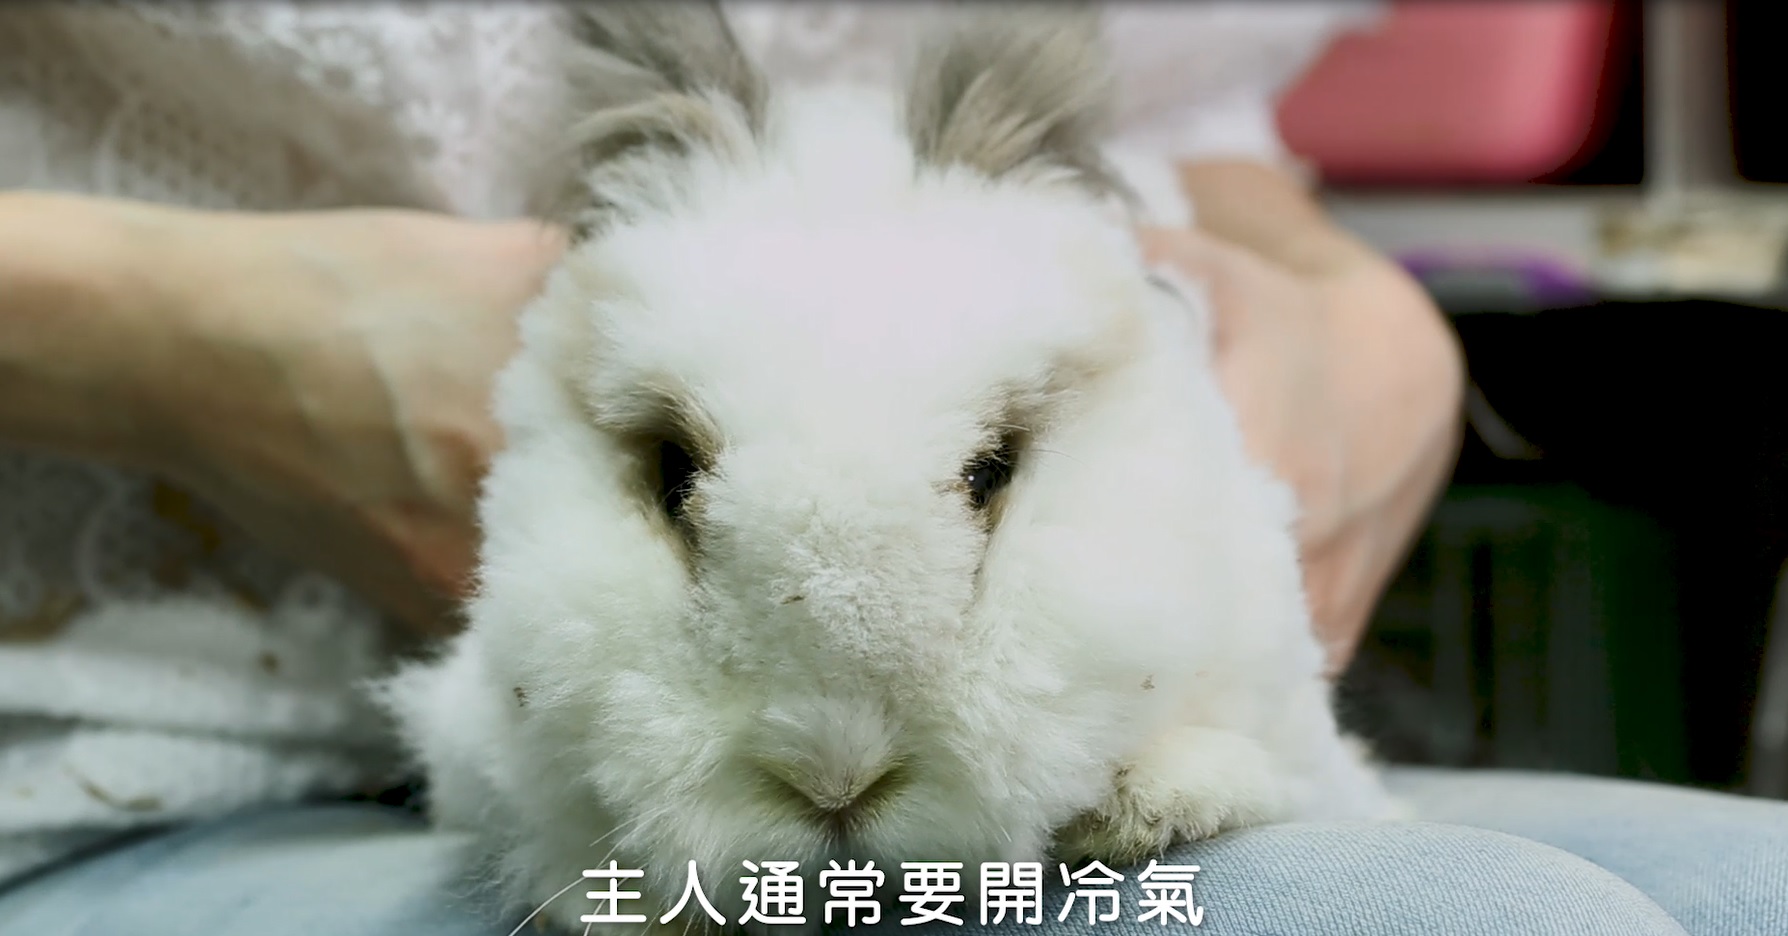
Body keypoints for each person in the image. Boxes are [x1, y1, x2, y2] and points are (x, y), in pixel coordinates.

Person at [0, 3, 1781, 935]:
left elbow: (1185, 110)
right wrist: (196, 338)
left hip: (1047, 776)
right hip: (125, 758)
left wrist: (1356, 319)